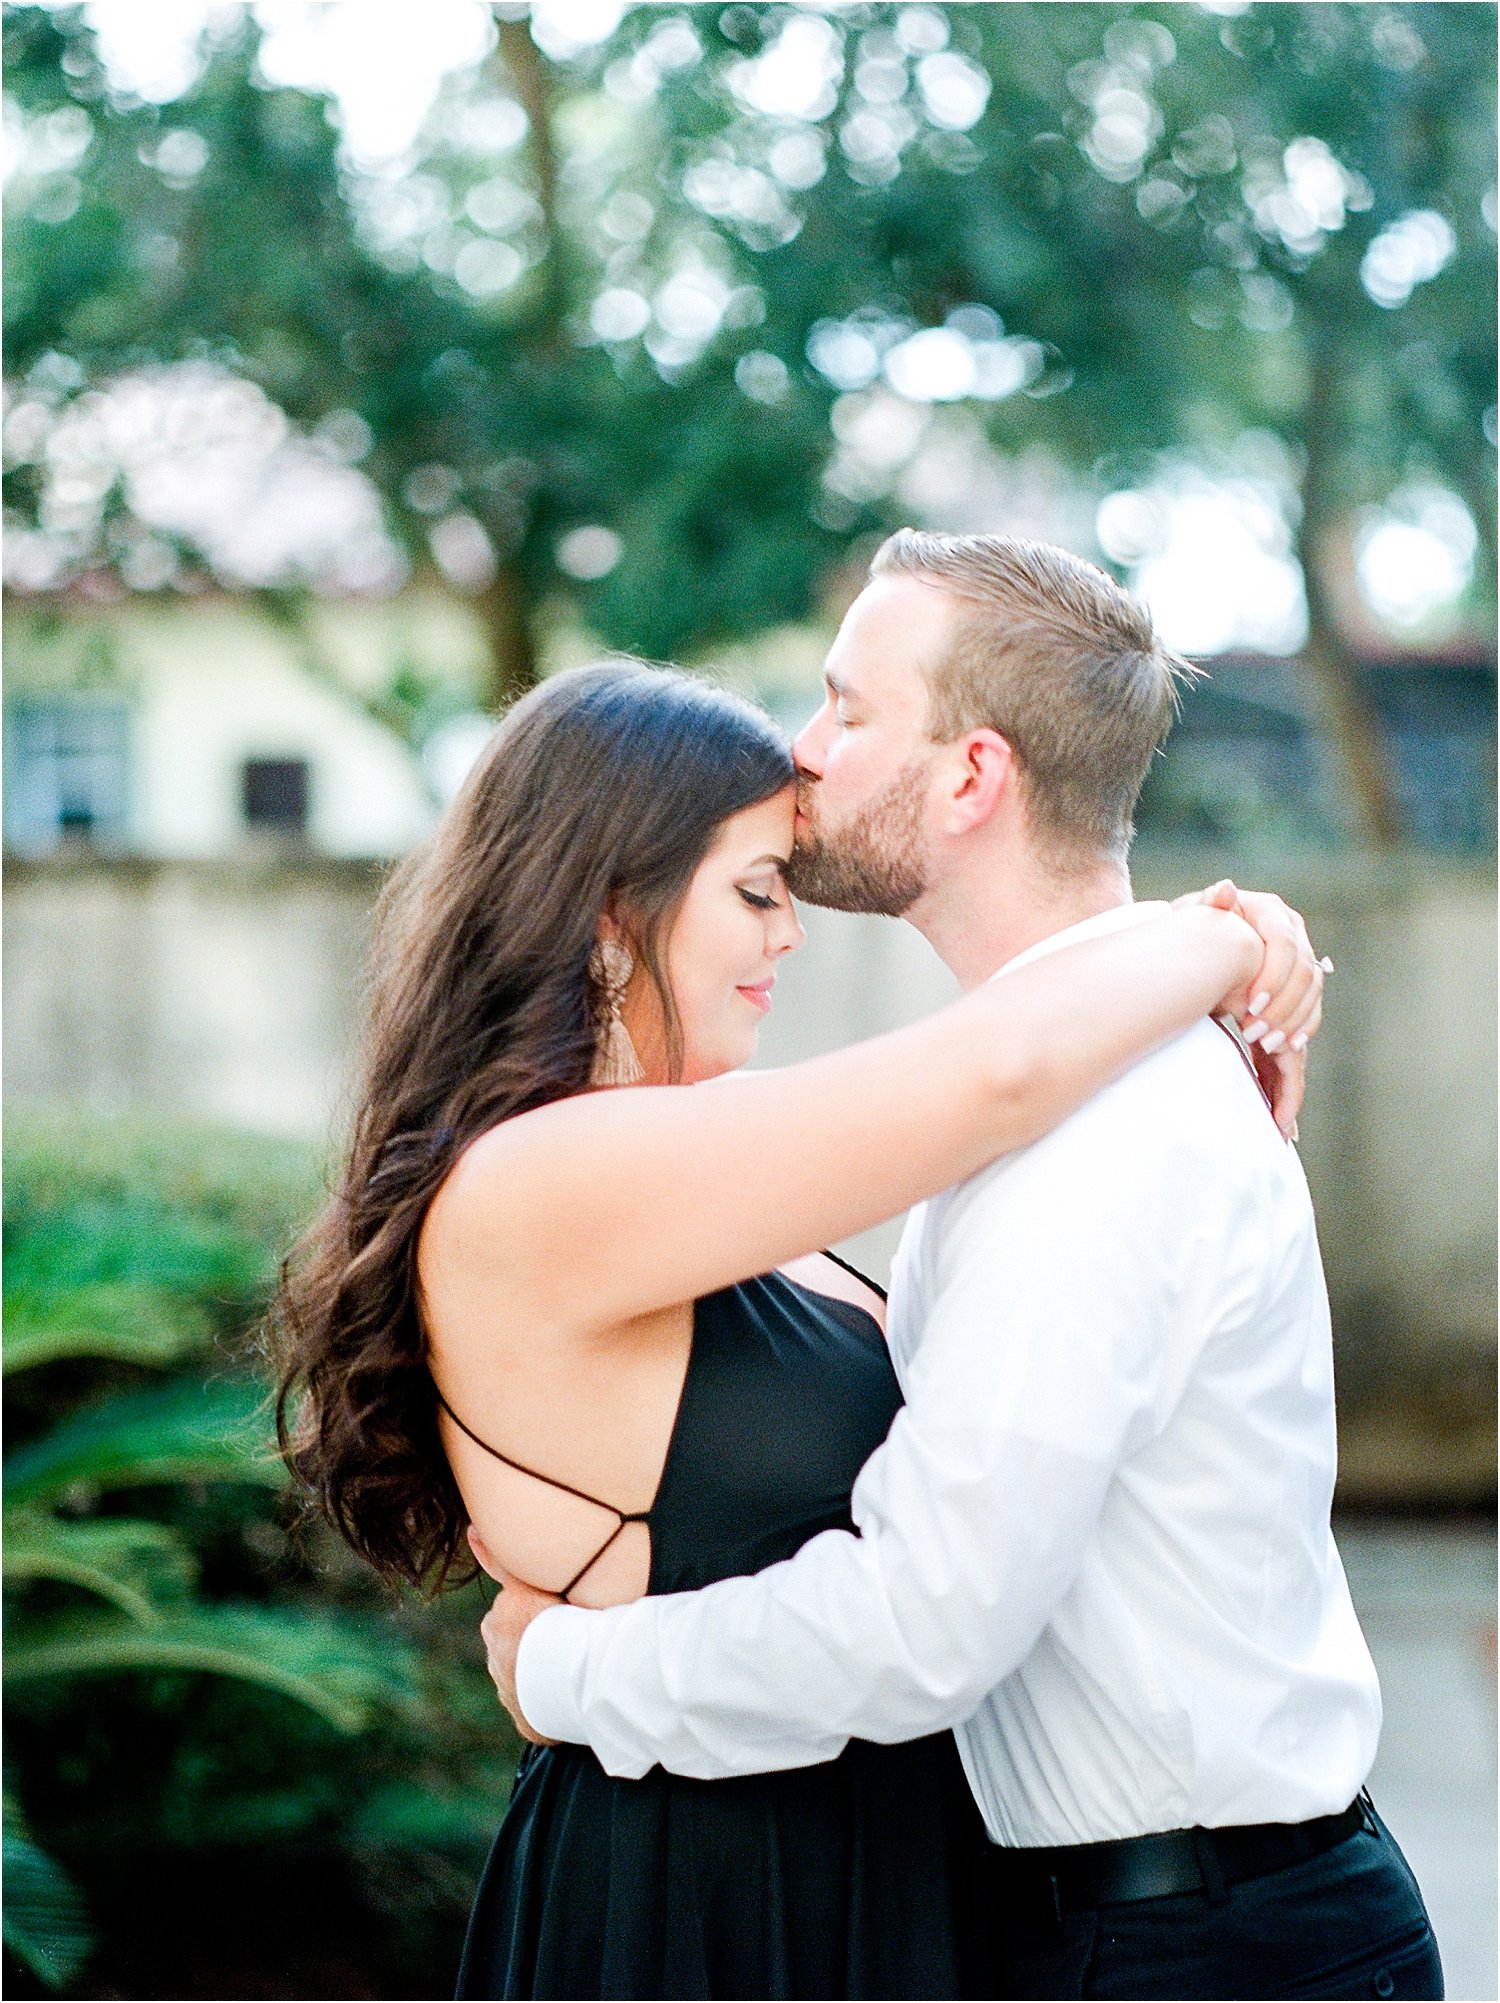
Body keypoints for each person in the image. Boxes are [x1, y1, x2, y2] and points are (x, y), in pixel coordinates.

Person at [271, 645, 1322, 2002]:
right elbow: (997, 1070)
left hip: (869, 1867)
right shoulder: (540, 1177)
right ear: (606, 908)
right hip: (708, 1890)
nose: (791, 932)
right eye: (759, 890)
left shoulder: (676, 1172)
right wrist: (1231, 935)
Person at [480, 534, 1443, 2002]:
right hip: (1134, 1922)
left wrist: (564, 1673)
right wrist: (1222, 936)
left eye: (849, 710)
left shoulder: (1095, 1128)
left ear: (974, 777)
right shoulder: (1044, 1089)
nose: (806, 757)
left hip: (1198, 1948)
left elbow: (923, 1622)